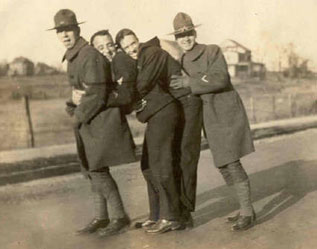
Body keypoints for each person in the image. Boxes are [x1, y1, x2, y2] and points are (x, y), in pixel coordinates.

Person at [48, 9, 136, 237]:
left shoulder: (88, 55)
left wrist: (77, 116)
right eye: (60, 31)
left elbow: (96, 92)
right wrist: (72, 102)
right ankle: (101, 216)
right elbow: (81, 90)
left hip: (99, 120)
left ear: (77, 29)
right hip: (91, 120)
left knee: (97, 170)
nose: (64, 35)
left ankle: (119, 217)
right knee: (92, 168)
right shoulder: (75, 55)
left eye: (68, 29)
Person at [169, 12, 256, 231]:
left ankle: (247, 212)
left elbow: (220, 78)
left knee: (231, 162)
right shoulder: (181, 60)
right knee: (224, 165)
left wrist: (190, 81)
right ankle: (244, 208)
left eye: (189, 33)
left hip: (225, 113)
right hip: (207, 119)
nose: (186, 39)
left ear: (194, 33)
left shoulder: (211, 50)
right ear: (177, 40)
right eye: (181, 37)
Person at [115, 29, 182, 234]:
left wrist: (125, 85)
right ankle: (156, 214)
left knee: (161, 164)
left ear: (138, 39)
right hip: (156, 114)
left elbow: (141, 84)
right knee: (148, 166)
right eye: (126, 47)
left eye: (133, 42)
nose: (131, 49)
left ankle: (172, 217)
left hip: (165, 111)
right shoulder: (137, 59)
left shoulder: (150, 52)